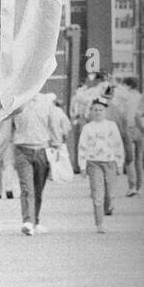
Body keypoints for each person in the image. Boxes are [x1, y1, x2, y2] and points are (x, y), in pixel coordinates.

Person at [11, 90, 65, 235]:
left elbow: (53, 125)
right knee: (27, 188)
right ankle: (28, 221)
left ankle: (35, 220)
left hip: (42, 150)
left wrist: (57, 145)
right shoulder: (16, 102)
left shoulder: (47, 103)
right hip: (22, 150)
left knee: (38, 189)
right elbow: (8, 128)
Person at [78, 97, 124, 232]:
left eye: (101, 110)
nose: (98, 112)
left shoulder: (111, 126)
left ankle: (108, 206)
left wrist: (119, 162)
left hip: (109, 162)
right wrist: (82, 166)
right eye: (95, 109)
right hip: (94, 163)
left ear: (105, 111)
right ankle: (99, 223)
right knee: (97, 193)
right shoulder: (88, 128)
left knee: (110, 192)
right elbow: (82, 147)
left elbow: (118, 145)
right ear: (92, 111)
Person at [111, 76, 141, 196]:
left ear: (127, 85)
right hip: (140, 130)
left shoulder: (123, 96)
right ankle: (139, 187)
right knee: (139, 160)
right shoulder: (139, 96)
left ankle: (132, 186)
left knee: (130, 159)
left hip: (128, 129)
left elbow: (118, 111)